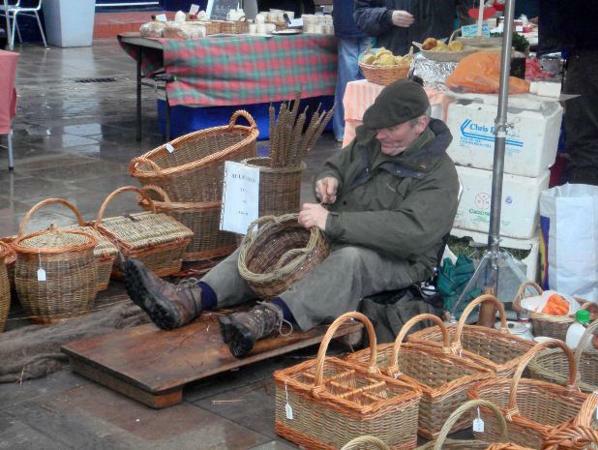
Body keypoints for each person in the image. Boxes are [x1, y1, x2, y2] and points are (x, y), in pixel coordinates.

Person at [124, 79, 460, 358]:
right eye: (379, 128)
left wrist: (334, 223)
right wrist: (329, 179)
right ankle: (192, 298)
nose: (382, 135)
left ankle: (268, 318)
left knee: (351, 260)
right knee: (271, 236)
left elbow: (411, 233)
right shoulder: (372, 141)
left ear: (420, 125)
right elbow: (337, 165)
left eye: (392, 129)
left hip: (401, 261)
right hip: (342, 231)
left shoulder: (439, 174)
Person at [538, 0, 598, 186]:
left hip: (589, 54)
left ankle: (585, 199)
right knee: (587, 145)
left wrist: (550, 52)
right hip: (588, 53)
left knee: (587, 145)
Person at [353, 0, 472, 56]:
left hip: (438, 58)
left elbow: (470, 11)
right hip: (396, 62)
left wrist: (464, 44)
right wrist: (387, 16)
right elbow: (360, 14)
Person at [332, 0, 374, 142]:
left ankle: (345, 130)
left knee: (348, 80)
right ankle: (359, 129)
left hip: (349, 19)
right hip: (366, 19)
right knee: (366, 80)